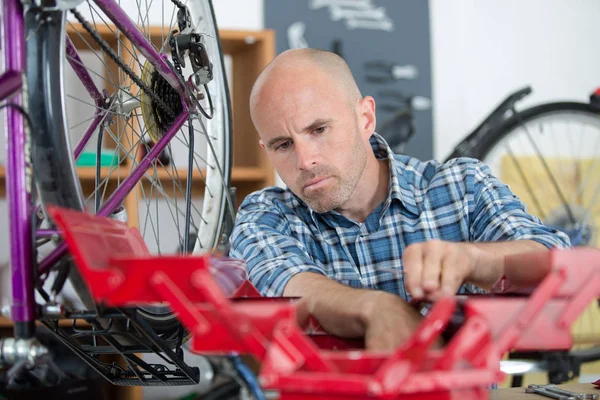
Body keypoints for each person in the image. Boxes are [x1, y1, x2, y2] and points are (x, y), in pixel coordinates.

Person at [228, 48, 570, 351]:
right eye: (283, 145)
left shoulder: (461, 187)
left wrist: (474, 260)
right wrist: (377, 309)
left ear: (365, 118)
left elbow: (558, 263)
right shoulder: (265, 216)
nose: (305, 161)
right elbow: (292, 285)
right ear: (266, 150)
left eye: (318, 129)